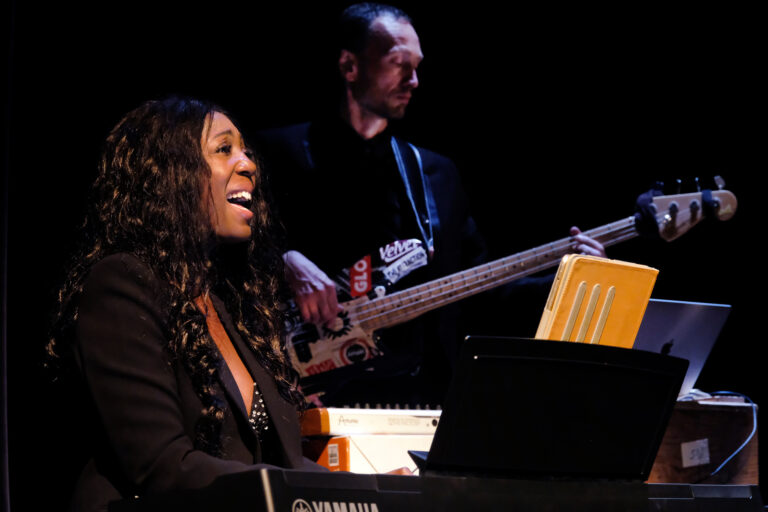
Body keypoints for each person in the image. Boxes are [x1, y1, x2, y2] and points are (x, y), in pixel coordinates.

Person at [256, 3, 605, 407]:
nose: (414, 80)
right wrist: (286, 261)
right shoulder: (277, 153)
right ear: (350, 66)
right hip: (304, 393)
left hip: (417, 398)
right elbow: (220, 249)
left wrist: (564, 280)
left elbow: (478, 291)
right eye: (399, 63)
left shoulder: (434, 174)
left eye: (417, 66)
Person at [47, 97, 325, 512]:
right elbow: (161, 464)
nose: (249, 165)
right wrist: (290, 490)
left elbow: (282, 462)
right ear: (171, 173)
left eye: (246, 151)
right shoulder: (121, 282)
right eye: (224, 149)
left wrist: (373, 487)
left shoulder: (229, 303)